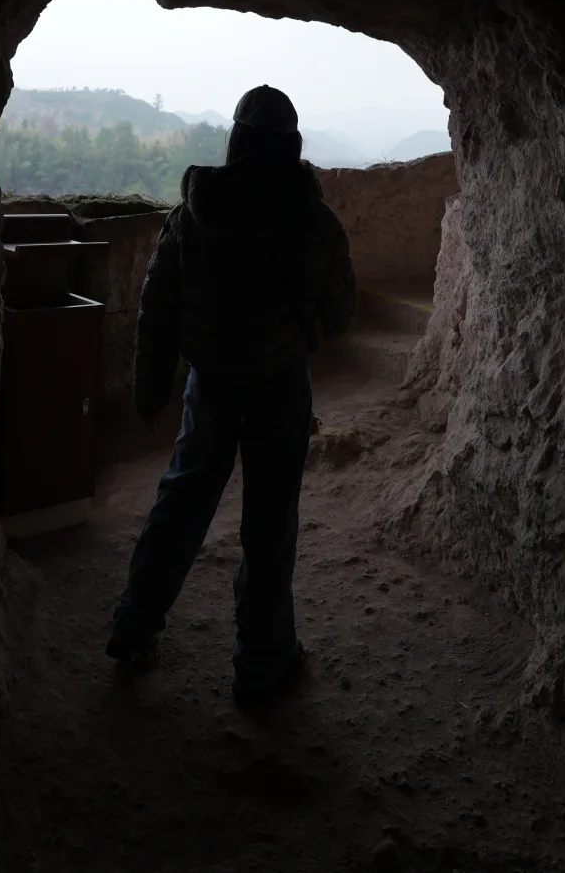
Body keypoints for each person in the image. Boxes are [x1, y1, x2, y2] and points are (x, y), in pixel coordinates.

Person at [106, 84, 357, 706]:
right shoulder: (313, 220)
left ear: (236, 140)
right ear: (291, 144)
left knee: (181, 501)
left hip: (211, 383)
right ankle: (262, 663)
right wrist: (304, 327)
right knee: (270, 521)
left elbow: (157, 309)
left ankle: (134, 628)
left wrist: (149, 389)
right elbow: (341, 312)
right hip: (281, 384)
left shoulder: (193, 213)